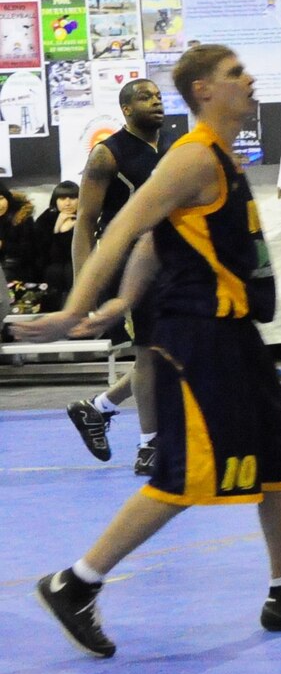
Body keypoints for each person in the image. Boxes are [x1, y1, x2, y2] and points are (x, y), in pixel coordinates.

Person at [24, 45, 281, 658]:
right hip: (197, 339)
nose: (250, 79)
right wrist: (78, 310)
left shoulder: (224, 157)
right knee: (184, 477)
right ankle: (75, 582)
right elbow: (122, 229)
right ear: (204, 90)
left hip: (237, 335)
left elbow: (157, 240)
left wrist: (124, 297)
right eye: (236, 74)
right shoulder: (190, 158)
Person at [62, 79, 168, 473]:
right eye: (145, 97)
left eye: (158, 96)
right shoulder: (108, 154)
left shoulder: (173, 148)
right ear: (126, 109)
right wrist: (82, 292)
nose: (155, 102)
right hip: (130, 268)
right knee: (149, 353)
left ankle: (96, 408)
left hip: (171, 264)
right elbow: (85, 222)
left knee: (169, 353)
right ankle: (150, 446)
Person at [33, 183, 80, 302]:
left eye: (73, 198)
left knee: (71, 270)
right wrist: (57, 229)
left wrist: (66, 232)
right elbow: (45, 254)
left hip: (78, 264)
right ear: (55, 200)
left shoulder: (86, 217)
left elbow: (77, 253)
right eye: (62, 198)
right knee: (54, 271)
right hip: (51, 267)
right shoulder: (46, 219)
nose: (67, 203)